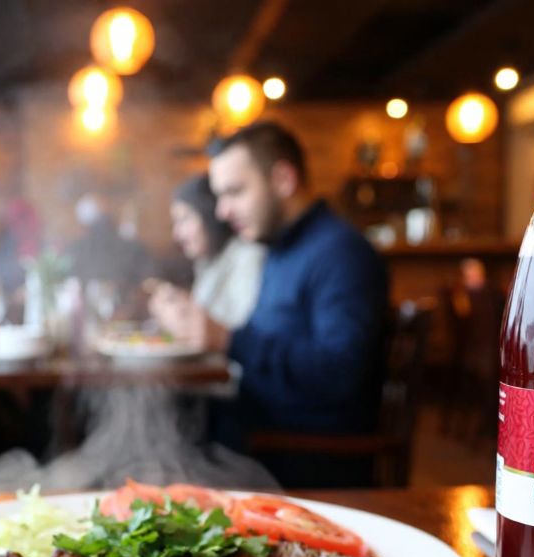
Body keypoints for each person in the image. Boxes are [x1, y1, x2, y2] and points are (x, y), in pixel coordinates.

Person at [150, 122, 388, 488]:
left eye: (235, 192)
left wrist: (228, 340)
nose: (222, 212)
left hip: (305, 456)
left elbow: (340, 374)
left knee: (166, 449)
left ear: (282, 179)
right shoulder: (281, 249)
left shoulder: (340, 253)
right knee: (159, 421)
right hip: (260, 433)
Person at [170, 174, 265, 329]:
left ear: (210, 215)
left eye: (184, 219)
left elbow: (243, 332)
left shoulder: (249, 256)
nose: (177, 234)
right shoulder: (206, 262)